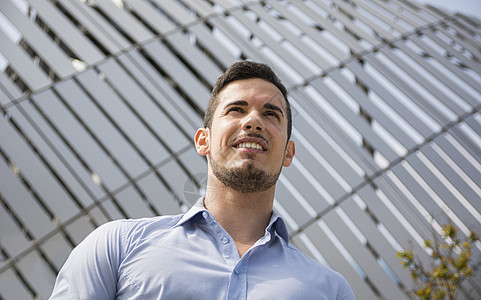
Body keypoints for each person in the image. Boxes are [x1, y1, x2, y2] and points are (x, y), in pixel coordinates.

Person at [50, 61, 356, 299]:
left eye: (271, 114)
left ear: (288, 153)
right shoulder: (117, 247)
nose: (253, 121)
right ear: (203, 141)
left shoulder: (330, 291)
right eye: (236, 109)